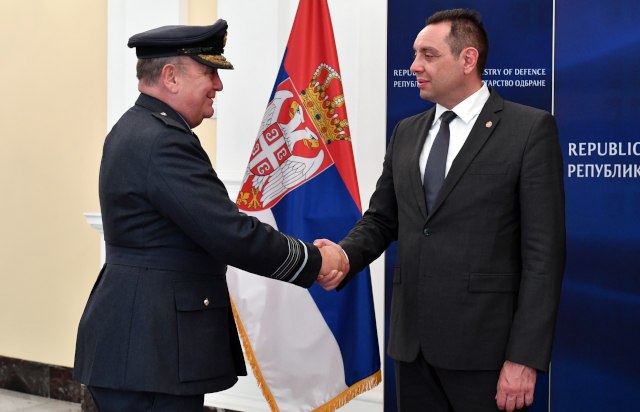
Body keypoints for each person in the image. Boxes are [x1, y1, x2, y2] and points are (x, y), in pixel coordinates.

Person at [73, 20, 346, 412]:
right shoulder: (162, 140)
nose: (217, 85)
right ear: (170, 76)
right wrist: (315, 261)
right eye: (208, 72)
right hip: (152, 348)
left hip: (142, 342)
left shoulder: (139, 127)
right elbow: (229, 232)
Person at [316, 8, 565, 412]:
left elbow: (544, 256)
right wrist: (344, 256)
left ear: (468, 59)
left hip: (487, 354)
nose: (414, 66)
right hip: (412, 350)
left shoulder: (529, 130)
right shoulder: (406, 132)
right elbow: (382, 219)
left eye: (428, 55)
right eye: (415, 54)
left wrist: (524, 357)